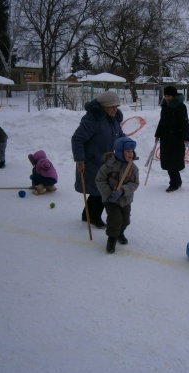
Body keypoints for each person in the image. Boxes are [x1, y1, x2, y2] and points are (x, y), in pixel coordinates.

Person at [72, 90, 125, 229]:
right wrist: (80, 160)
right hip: (92, 162)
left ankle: (87, 215)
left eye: (116, 106)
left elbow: (120, 136)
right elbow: (77, 139)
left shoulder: (113, 119)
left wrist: (127, 146)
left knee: (98, 191)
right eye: (111, 107)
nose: (115, 109)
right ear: (103, 107)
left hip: (106, 162)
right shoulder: (92, 120)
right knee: (103, 191)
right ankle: (94, 217)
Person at [95, 137, 139, 253]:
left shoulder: (133, 167)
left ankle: (120, 234)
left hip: (125, 199)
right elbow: (100, 180)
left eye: (132, 151)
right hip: (110, 200)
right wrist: (109, 193)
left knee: (125, 221)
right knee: (115, 220)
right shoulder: (108, 165)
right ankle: (112, 239)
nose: (131, 154)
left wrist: (122, 190)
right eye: (127, 151)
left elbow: (135, 183)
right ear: (119, 152)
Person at [154, 86, 189, 192]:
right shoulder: (165, 106)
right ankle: (177, 181)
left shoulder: (180, 106)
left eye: (169, 96)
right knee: (167, 161)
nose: (167, 98)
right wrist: (157, 134)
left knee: (173, 162)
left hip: (176, 138)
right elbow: (162, 122)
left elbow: (184, 122)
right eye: (165, 96)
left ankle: (174, 183)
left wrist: (186, 136)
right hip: (165, 138)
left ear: (174, 96)